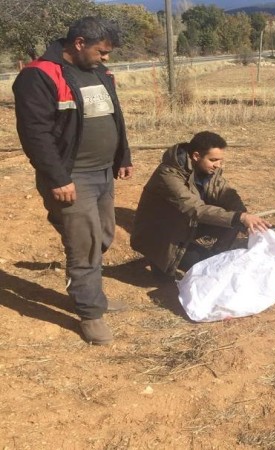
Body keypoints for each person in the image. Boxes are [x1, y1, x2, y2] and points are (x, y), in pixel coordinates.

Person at [13, 17, 132, 345]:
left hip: (104, 173)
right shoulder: (38, 76)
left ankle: (89, 291)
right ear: (79, 43)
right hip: (71, 178)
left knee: (104, 235)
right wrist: (58, 178)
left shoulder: (99, 73)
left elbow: (114, 116)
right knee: (85, 245)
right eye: (101, 50)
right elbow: (34, 135)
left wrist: (123, 156)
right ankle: (91, 312)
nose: (106, 57)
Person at [131, 131, 270, 280]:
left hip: (186, 226)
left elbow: (227, 195)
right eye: (213, 160)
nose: (218, 165)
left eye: (220, 160)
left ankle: (213, 256)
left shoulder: (209, 171)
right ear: (196, 156)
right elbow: (194, 208)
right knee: (189, 271)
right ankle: (159, 261)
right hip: (162, 233)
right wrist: (239, 217)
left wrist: (243, 216)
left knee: (231, 226)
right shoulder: (168, 175)